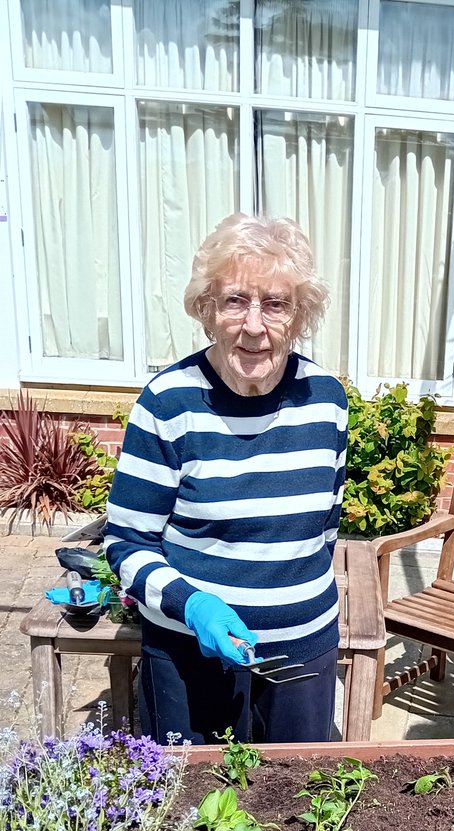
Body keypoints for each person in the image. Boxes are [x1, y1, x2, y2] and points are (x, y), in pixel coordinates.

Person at [104, 213, 347, 745]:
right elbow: (126, 543)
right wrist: (192, 605)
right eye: (236, 300)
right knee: (198, 816)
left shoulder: (327, 399)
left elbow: (324, 528)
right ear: (207, 310)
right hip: (191, 658)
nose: (255, 325)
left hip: (305, 653)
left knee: (301, 811)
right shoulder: (168, 403)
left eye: (277, 304)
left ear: (300, 314)